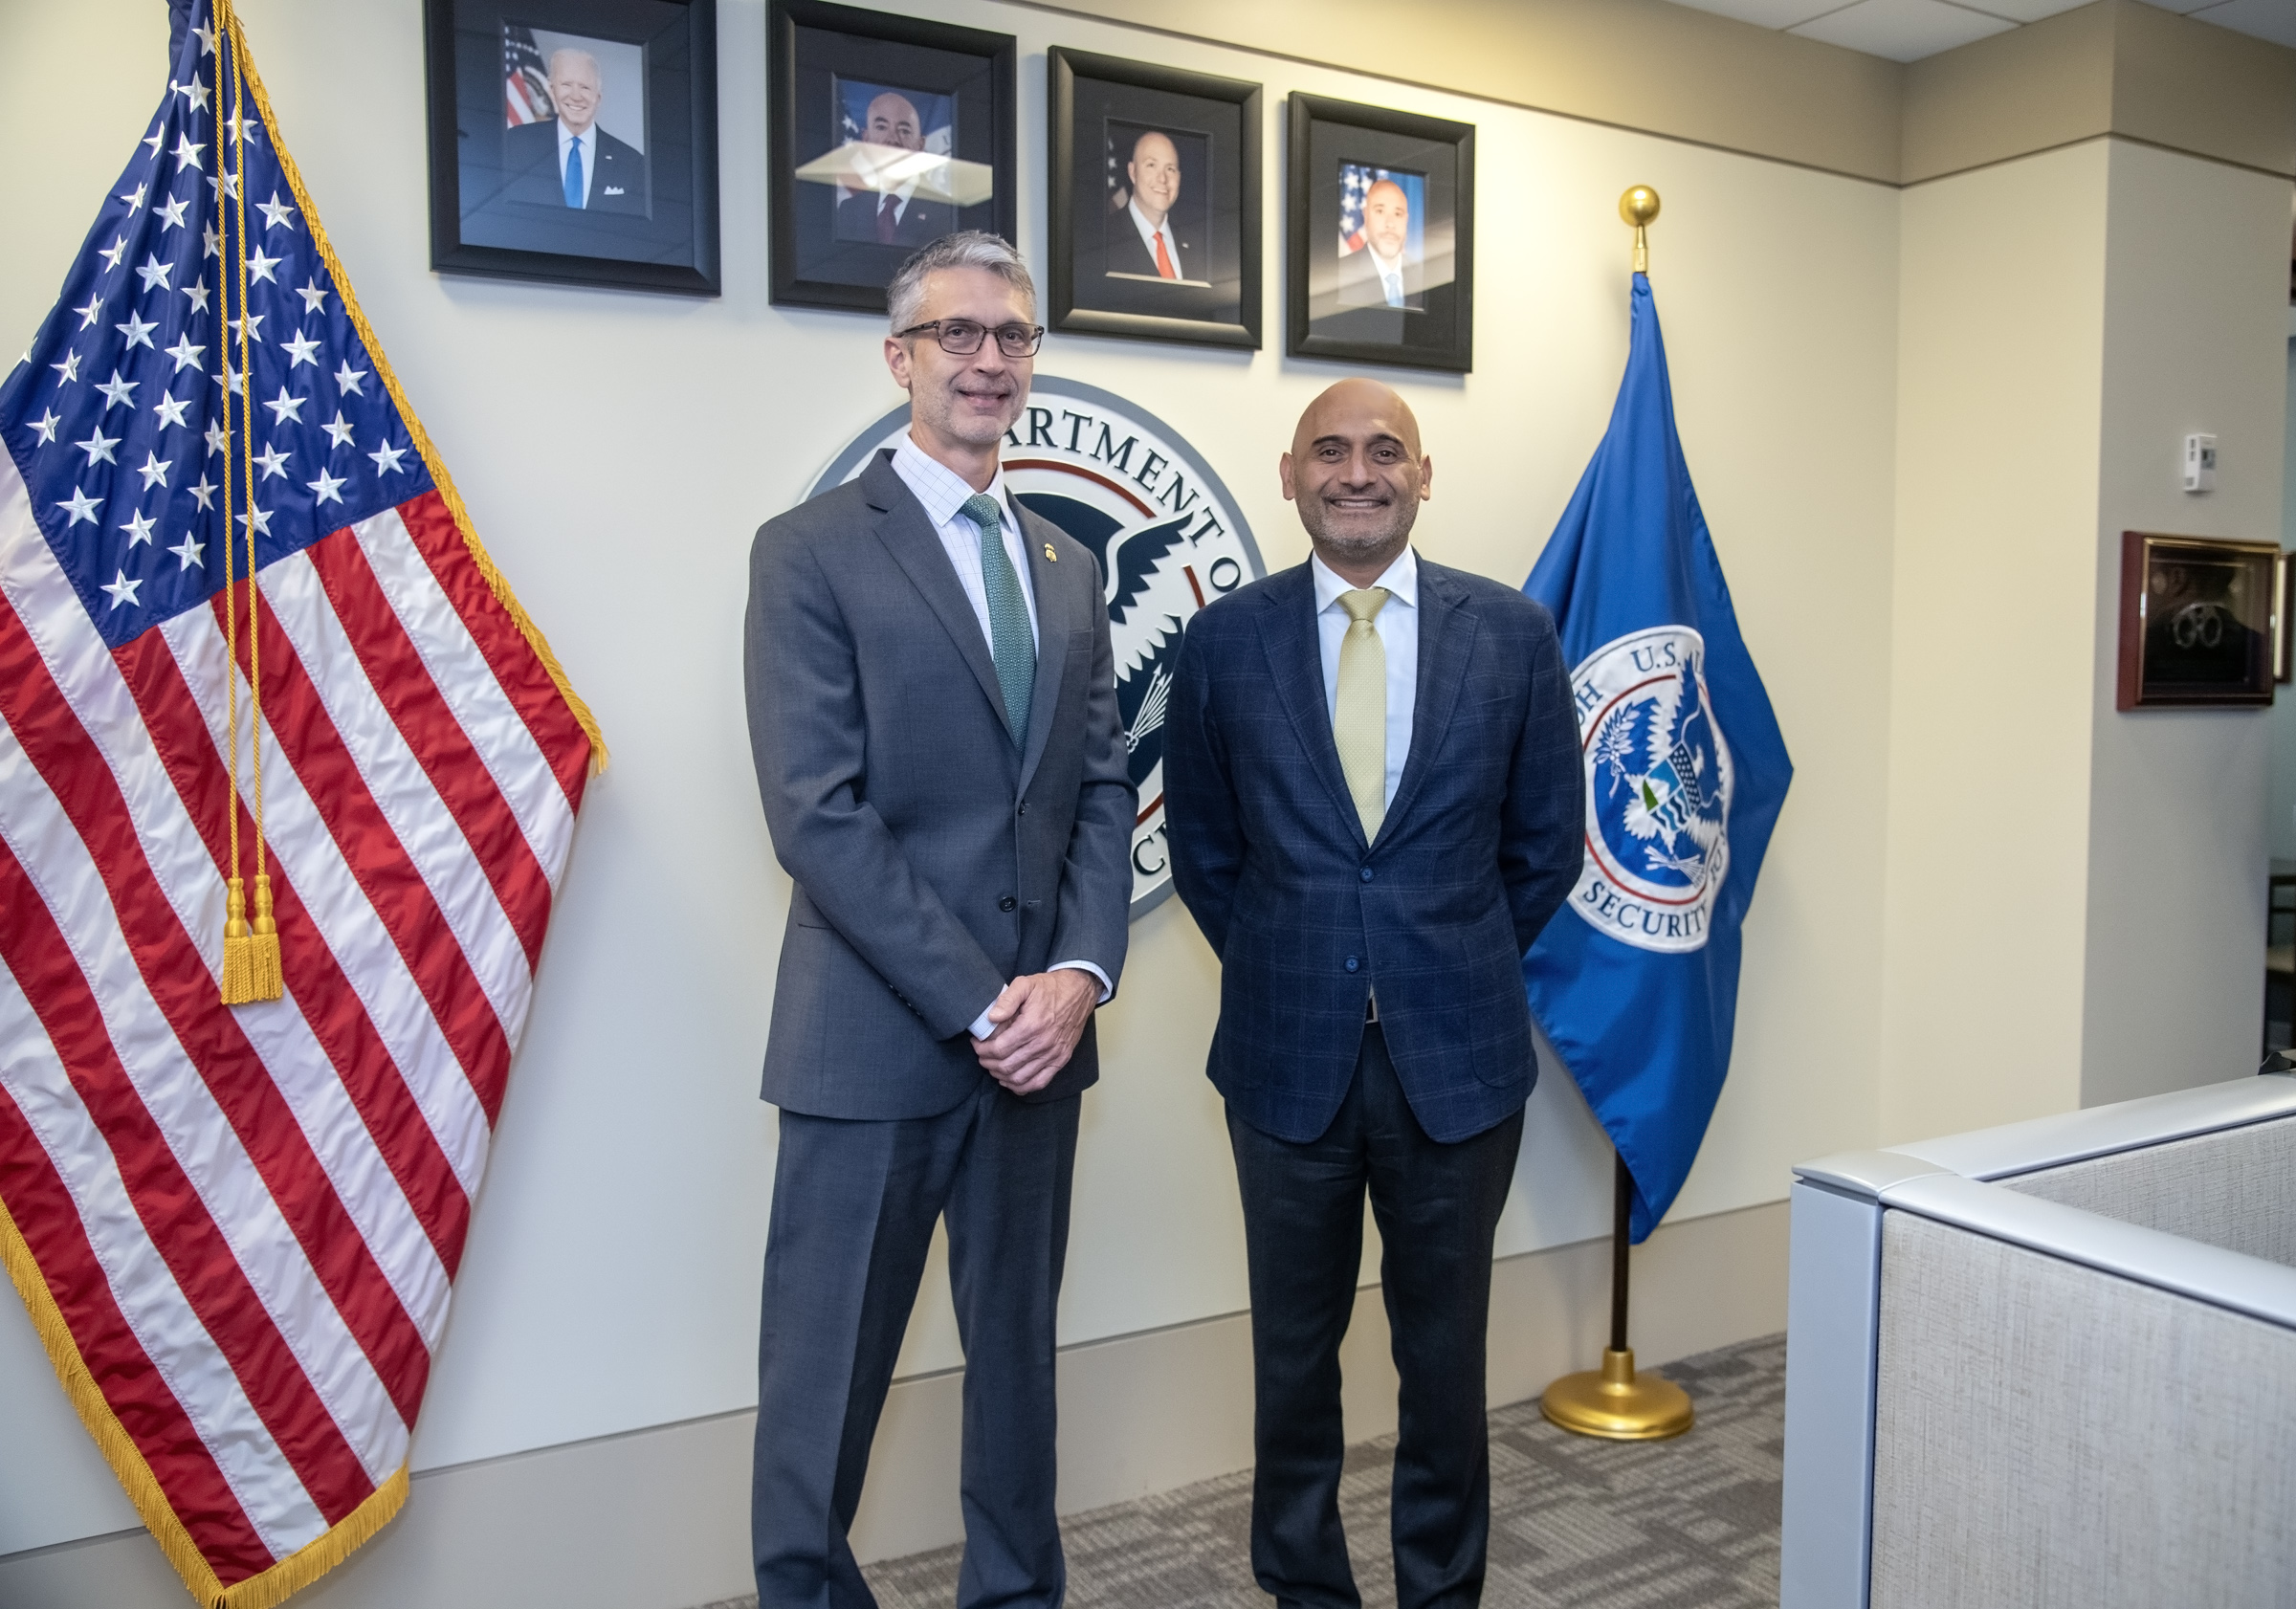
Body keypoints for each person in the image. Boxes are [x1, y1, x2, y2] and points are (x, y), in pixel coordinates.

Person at [744, 231, 1134, 1609]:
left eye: (1012, 335)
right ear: (900, 356)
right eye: (957, 333)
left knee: (1016, 1363)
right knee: (822, 1383)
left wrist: (1079, 974)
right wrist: (986, 1000)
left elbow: (1099, 787)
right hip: (879, 1045)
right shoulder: (807, 552)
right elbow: (818, 815)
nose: (988, 359)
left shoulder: (1065, 563)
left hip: (1042, 1049)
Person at [1164, 379, 1581, 1609]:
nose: (1360, 470)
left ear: (1424, 473)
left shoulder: (1510, 633)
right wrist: (1303, 958)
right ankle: (1307, 1588)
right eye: (1331, 450)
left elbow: (1544, 844)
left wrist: (1437, 961)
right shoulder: (1223, 642)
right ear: (1288, 473)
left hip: (1457, 1066)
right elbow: (1206, 850)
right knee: (1292, 1363)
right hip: (1285, 1059)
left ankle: (1440, 1591)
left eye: (1385, 449)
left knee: (1445, 1362)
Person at [502, 47, 649, 215]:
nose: (576, 96)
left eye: (585, 87)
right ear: (552, 91)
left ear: (598, 97)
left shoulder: (632, 163)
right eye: (566, 85)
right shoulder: (515, 143)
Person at [831, 89, 954, 248]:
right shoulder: (849, 210)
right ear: (866, 139)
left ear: (920, 145)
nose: (893, 139)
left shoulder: (946, 213)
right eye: (881, 127)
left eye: (904, 130)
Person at [1105, 129, 1194, 282]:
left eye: (1170, 169)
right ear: (1133, 172)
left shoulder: (1196, 243)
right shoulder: (1103, 240)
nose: (1162, 178)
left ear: (1179, 177)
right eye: (1151, 165)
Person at [1336, 179, 1422, 310]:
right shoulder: (1338, 275)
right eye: (1380, 211)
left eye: (1398, 214)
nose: (1390, 224)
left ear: (1406, 220)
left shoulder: (1424, 277)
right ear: (1366, 215)